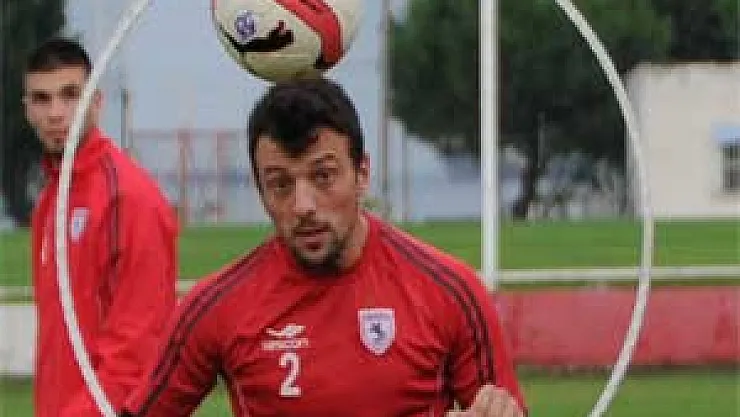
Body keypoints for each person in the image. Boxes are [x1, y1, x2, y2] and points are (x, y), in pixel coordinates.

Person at [122, 78, 526, 416]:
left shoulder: (450, 293)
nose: (303, 206)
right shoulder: (216, 308)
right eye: (281, 184)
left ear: (362, 173)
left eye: (323, 176)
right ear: (261, 191)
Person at [24, 37, 178, 416]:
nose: (56, 113)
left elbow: (136, 353)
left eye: (70, 95)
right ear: (26, 108)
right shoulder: (49, 202)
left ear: (96, 101)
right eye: (42, 99)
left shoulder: (130, 198)